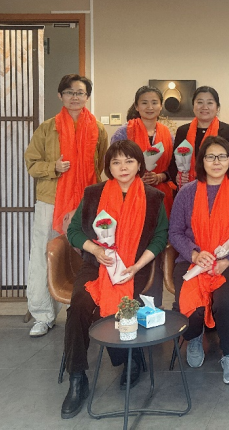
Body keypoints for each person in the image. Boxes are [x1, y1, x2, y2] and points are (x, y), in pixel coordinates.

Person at [59, 140, 168, 419]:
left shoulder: (154, 197)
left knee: (123, 303)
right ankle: (77, 378)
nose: (123, 167)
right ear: (108, 167)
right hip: (96, 264)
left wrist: (137, 265)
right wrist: (95, 250)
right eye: (116, 162)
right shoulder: (93, 194)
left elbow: (159, 237)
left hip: (133, 267)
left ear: (139, 164)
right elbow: (74, 231)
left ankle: (130, 359)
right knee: (79, 305)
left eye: (129, 161)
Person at [24, 74, 108, 338]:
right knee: (44, 255)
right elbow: (31, 164)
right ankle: (43, 315)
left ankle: (89, 310)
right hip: (51, 201)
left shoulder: (98, 129)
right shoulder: (47, 128)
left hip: (87, 202)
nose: (75, 97)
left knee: (88, 255)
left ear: (87, 97)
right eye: (70, 92)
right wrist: (54, 167)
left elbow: (100, 164)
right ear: (60, 96)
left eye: (80, 92)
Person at [168, 136, 229, 385]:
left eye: (222, 156)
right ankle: (194, 337)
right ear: (202, 161)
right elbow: (175, 232)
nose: (216, 162)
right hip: (192, 259)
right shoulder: (187, 192)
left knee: (226, 303)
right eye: (210, 156)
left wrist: (228, 260)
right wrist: (195, 254)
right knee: (192, 303)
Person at [110, 86, 176, 215]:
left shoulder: (168, 134)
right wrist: (134, 176)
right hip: (129, 193)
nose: (150, 107)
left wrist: (160, 177)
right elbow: (111, 163)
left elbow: (174, 166)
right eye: (144, 103)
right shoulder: (124, 132)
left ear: (161, 106)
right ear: (136, 106)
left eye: (154, 102)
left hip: (162, 194)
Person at [168, 86, 229, 189]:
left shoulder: (228, 131)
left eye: (210, 103)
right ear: (193, 106)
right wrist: (177, 176)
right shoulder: (183, 131)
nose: (204, 107)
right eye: (200, 102)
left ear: (217, 107)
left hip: (220, 187)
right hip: (188, 188)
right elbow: (173, 163)